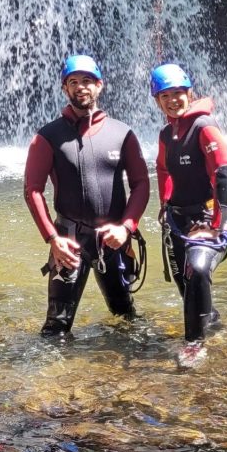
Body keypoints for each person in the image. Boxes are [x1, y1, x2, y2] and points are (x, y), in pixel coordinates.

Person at [24, 54, 150, 336]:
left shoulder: (122, 133)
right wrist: (52, 239)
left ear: (99, 85)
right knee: (56, 326)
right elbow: (32, 190)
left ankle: (129, 377)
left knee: (126, 317)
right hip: (68, 241)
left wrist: (127, 227)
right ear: (64, 88)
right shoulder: (47, 137)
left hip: (113, 241)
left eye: (87, 81)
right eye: (73, 82)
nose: (81, 87)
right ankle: (56, 382)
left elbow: (141, 184)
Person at [151, 62, 227, 369]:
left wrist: (217, 225)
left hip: (207, 216)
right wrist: (164, 204)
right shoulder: (165, 133)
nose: (173, 100)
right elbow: (163, 169)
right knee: (184, 283)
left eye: (178, 93)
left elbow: (223, 173)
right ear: (157, 101)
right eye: (165, 96)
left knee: (197, 269)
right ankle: (212, 323)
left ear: (190, 93)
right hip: (177, 218)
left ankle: (193, 345)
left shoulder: (204, 126)